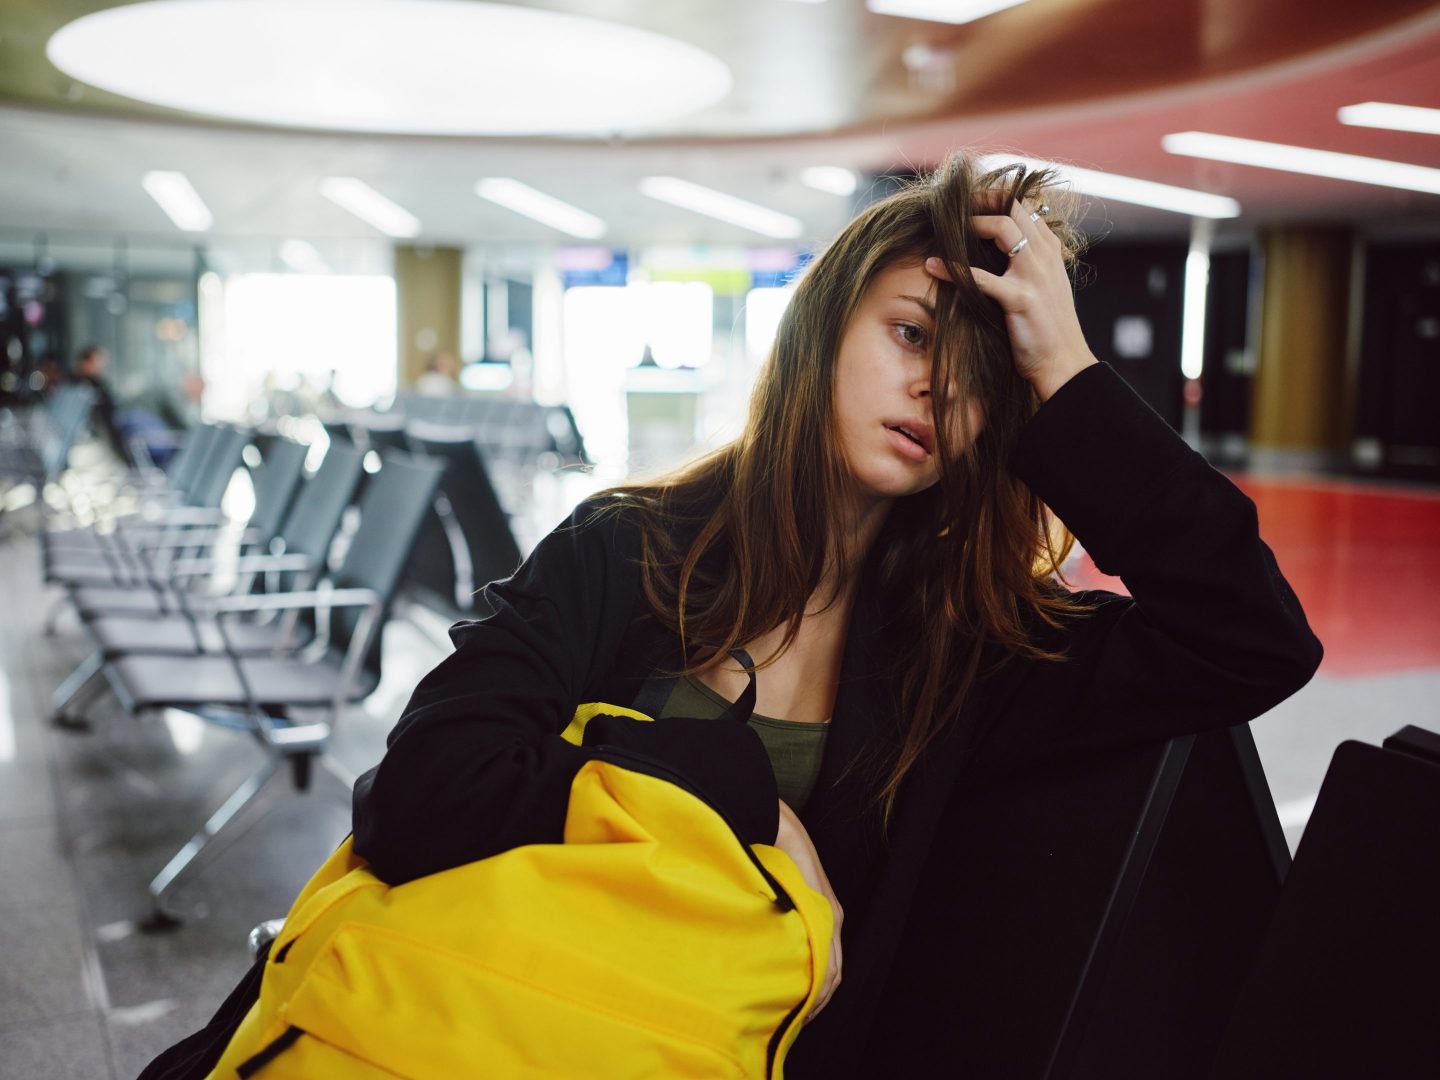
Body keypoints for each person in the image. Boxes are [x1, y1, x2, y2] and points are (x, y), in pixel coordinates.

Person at [146, 154, 1322, 1078]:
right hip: (481, 1018)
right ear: (825, 330)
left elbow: (1249, 637)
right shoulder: (628, 547)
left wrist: (1066, 372)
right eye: (912, 335)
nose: (935, 389)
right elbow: (416, 796)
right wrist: (727, 792)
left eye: (979, 377)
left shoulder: (969, 651)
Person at [71, 343, 135, 467]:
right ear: (86, 362)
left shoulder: (79, 387)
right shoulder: (88, 391)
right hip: (93, 449)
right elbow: (107, 426)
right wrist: (125, 459)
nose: (102, 365)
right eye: (97, 361)